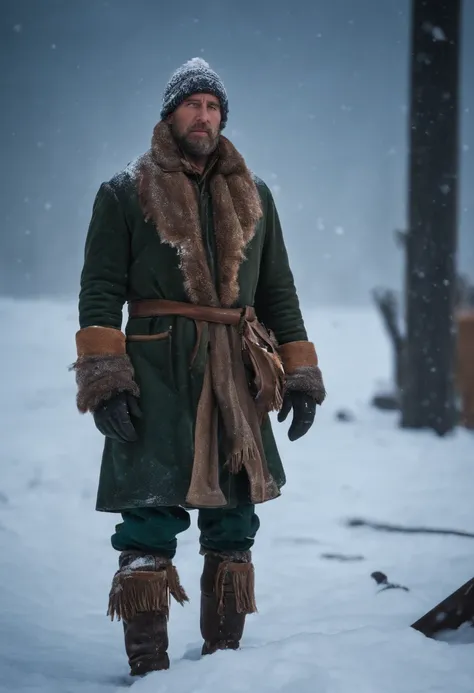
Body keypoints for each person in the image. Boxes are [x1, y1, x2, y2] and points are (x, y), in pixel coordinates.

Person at [72, 57, 326, 677]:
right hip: (157, 366)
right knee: (151, 513)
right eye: (193, 104)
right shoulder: (123, 193)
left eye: (213, 106)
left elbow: (279, 292)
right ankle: (149, 669)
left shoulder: (255, 195)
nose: (204, 115)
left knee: (235, 515)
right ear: (170, 114)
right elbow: (100, 289)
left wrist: (299, 371)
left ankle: (224, 669)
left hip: (236, 370)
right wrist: (105, 377)